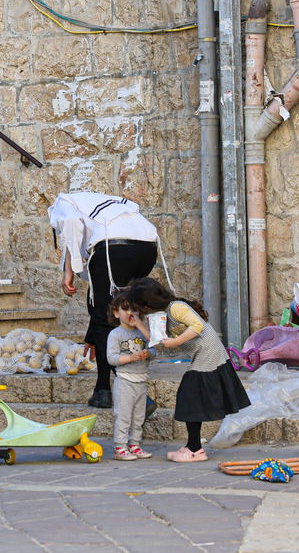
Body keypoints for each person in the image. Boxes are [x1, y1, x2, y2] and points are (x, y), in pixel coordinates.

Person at [49, 192, 159, 408]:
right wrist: (91, 335)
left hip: (114, 247)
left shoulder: (61, 203)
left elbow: (70, 227)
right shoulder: (105, 203)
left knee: (104, 318)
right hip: (147, 247)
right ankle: (114, 386)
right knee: (117, 312)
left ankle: (114, 392)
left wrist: (68, 271)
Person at [126, 277, 250, 463]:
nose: (140, 312)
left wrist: (175, 341)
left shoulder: (176, 308)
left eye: (140, 308)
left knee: (188, 397)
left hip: (209, 354)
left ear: (148, 305)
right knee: (189, 398)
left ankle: (194, 449)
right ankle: (194, 447)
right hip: (202, 355)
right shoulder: (162, 315)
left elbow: (197, 326)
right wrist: (139, 324)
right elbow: (159, 342)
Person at [105, 293, 153, 460]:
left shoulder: (143, 333)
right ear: (116, 313)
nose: (131, 313)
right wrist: (131, 358)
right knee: (123, 415)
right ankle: (120, 447)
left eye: (135, 309)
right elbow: (111, 358)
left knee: (138, 417)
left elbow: (155, 347)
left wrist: (148, 353)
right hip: (125, 380)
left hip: (141, 379)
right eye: (125, 309)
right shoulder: (115, 334)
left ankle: (135, 444)